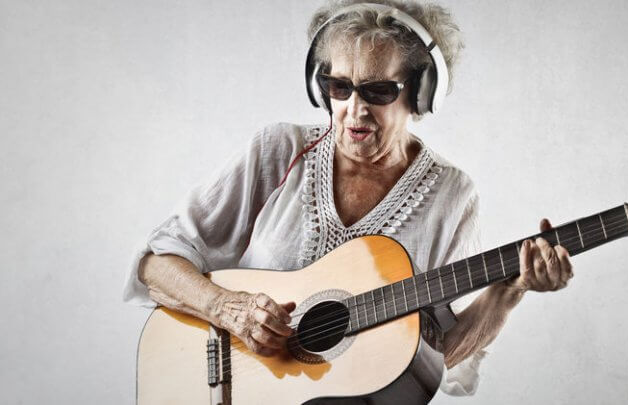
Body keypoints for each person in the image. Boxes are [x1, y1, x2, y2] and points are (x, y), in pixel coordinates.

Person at [124, 0, 573, 397]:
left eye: (378, 91)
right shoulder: (278, 150)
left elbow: (436, 358)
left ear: (420, 95)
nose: (354, 109)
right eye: (340, 87)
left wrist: (509, 291)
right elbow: (156, 265)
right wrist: (228, 309)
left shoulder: (452, 195)